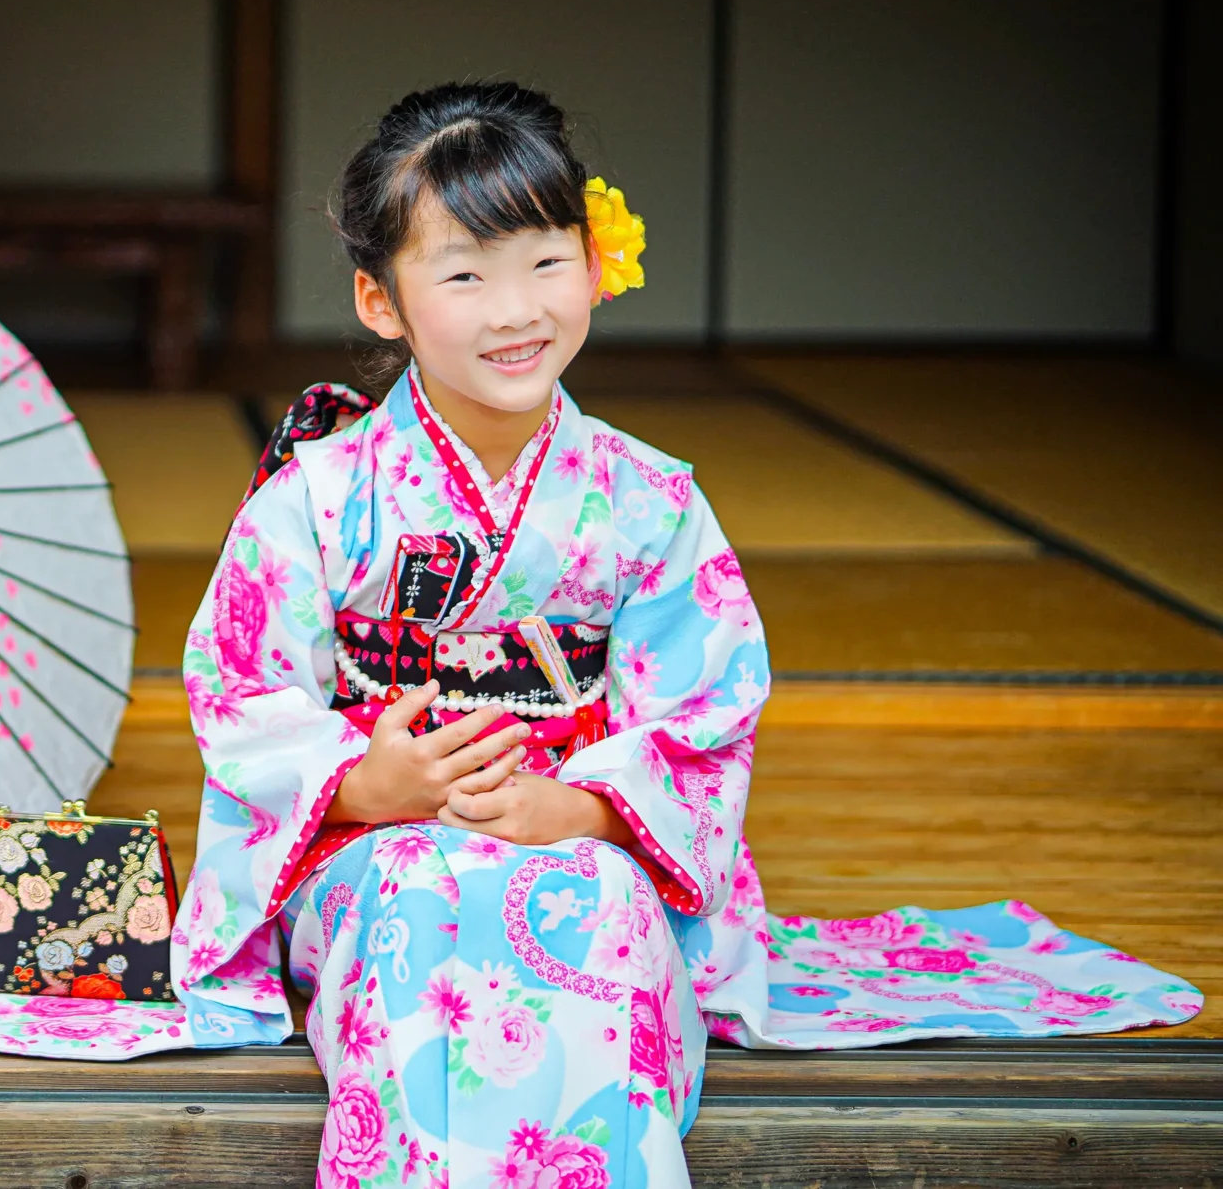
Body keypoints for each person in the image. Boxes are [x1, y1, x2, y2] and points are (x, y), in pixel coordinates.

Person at [175, 80, 1200, 1189]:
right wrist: (374, 781)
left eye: (544, 262)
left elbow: (703, 711)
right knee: (418, 899)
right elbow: (240, 695)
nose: (515, 307)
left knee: (593, 905)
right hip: (370, 840)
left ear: (597, 262)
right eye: (465, 272)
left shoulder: (648, 499)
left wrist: (568, 809)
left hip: (586, 831)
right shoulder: (318, 494)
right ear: (382, 301)